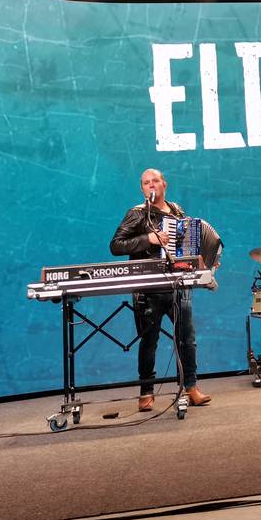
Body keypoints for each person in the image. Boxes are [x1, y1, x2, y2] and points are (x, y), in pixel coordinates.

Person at [110, 168, 222, 411]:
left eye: (155, 181)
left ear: (164, 184)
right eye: (146, 183)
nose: (151, 185)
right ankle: (146, 391)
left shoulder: (177, 211)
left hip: (177, 285)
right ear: (142, 188)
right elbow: (116, 245)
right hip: (149, 287)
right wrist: (148, 239)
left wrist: (203, 261)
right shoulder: (137, 214)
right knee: (149, 341)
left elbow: (186, 247)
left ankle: (190, 387)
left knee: (187, 338)